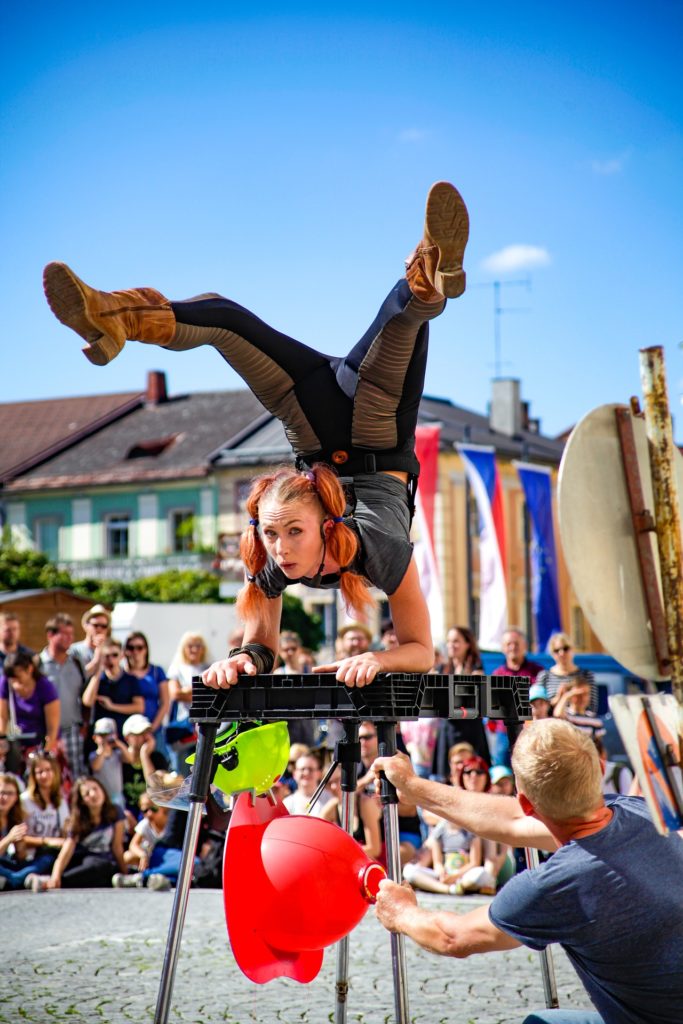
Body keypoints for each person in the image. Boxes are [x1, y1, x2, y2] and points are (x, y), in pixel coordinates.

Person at [43, 182, 469, 690]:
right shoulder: (379, 547)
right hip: (377, 437)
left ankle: (434, 262)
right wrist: (381, 657)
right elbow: (420, 650)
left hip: (312, 429)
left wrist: (238, 660)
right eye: (276, 533)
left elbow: (257, 648)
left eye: (287, 532)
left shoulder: (269, 560)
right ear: (328, 525)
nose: (281, 548)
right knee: (404, 321)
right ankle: (106, 314)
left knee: (225, 320)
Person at [373, 718, 683, 1024]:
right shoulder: (641, 811)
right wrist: (414, 787)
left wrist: (401, 912)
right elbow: (509, 821)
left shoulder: (559, 883)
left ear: (526, 802)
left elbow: (452, 937)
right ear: (600, 770)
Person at [42, 777, 126, 890]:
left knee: (98, 866)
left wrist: (125, 872)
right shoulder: (78, 820)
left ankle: (56, 881)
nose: (93, 794)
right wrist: (55, 876)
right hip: (81, 860)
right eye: (87, 793)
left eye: (95, 789)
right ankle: (52, 880)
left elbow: (117, 847)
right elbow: (66, 852)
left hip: (104, 862)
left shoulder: (115, 811)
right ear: (82, 800)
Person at [432, 626, 490, 779]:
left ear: (467, 644)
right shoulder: (442, 668)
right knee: (446, 776)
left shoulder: (476, 668)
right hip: (449, 728)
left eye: (456, 641)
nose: (451, 645)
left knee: (474, 772)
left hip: (470, 728)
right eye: (449, 641)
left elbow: (476, 698)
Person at [39, 614, 88, 779]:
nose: (70, 639)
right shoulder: (38, 664)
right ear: (50, 635)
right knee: (51, 776)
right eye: (64, 634)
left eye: (71, 634)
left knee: (76, 777)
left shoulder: (76, 662)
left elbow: (84, 694)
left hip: (72, 728)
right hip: (47, 731)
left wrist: (85, 723)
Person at [21, 751, 69, 890]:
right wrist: (47, 841)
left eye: (48, 770)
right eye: (39, 772)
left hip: (56, 853)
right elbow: (19, 838)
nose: (44, 775)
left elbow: (65, 831)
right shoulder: (25, 801)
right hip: (33, 854)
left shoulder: (60, 801)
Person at [0, 651, 61, 762]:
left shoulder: (45, 687)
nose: (14, 682)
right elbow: (2, 717)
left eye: (18, 677)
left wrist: (44, 753)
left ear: (30, 669)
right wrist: (2, 739)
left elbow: (53, 727)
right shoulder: (5, 682)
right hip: (18, 743)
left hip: (43, 741)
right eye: (11, 678)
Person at [82, 638, 144, 738]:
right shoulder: (98, 679)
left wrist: (112, 706)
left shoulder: (130, 680)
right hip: (102, 735)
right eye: (106, 656)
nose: (110, 659)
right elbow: (87, 701)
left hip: (123, 734)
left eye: (114, 655)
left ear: (122, 656)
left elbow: (139, 707)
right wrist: (98, 670)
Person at [166, 632, 209, 774]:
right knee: (182, 770)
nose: (194, 650)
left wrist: (188, 690)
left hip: (204, 724)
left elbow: (210, 695)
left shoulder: (208, 667)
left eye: (198, 646)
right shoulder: (177, 668)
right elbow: (175, 694)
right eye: (190, 646)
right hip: (184, 727)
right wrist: (198, 689)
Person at [122, 631, 170, 757]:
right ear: (125, 651)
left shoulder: (156, 671)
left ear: (146, 649)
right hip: (130, 732)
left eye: (139, 647)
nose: (135, 651)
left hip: (153, 729)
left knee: (159, 767)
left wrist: (153, 728)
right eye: (131, 648)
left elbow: (165, 702)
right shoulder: (122, 674)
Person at [537, 632, 598, 714]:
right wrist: (559, 698)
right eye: (556, 650)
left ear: (572, 649)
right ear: (552, 654)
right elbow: (538, 708)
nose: (561, 653)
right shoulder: (544, 676)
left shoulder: (586, 675)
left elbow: (592, 707)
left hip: (580, 723)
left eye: (565, 649)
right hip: (552, 723)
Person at [0, 772, 30, 891]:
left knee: (46, 858)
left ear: (16, 797)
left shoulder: (14, 817)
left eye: (10, 793)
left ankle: (20, 878)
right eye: (1, 793)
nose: (5, 798)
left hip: (7, 864)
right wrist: (9, 838)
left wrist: (20, 845)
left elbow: (21, 857)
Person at [553, 677, 605, 745]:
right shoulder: (566, 715)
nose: (582, 698)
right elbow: (557, 715)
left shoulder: (594, 719)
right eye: (578, 695)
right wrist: (566, 696)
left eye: (586, 694)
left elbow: (599, 744)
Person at [88, 716, 127, 807]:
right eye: (102, 735)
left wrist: (119, 744)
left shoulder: (117, 753)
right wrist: (103, 749)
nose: (106, 738)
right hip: (102, 796)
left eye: (108, 735)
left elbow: (129, 759)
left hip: (118, 796)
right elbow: (95, 767)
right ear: (95, 737)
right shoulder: (94, 755)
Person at [283, 752, 332, 817]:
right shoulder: (287, 803)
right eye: (302, 769)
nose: (306, 773)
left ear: (319, 773)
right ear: (294, 774)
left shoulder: (330, 799)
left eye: (310, 769)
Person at [69, 604, 111, 680]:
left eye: (103, 626)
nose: (99, 629)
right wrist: (98, 654)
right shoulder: (74, 650)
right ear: (86, 626)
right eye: (95, 625)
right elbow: (75, 677)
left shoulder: (111, 651)